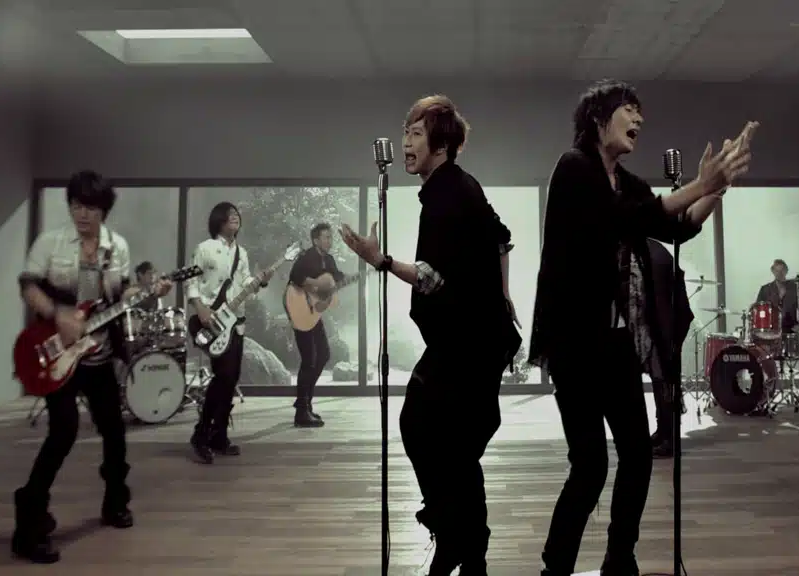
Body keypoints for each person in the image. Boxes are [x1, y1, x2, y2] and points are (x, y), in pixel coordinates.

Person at [528, 79, 757, 576]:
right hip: (574, 346)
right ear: (598, 118)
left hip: (616, 344)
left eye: (639, 112)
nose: (639, 119)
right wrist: (699, 184)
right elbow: (621, 219)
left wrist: (717, 188)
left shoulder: (625, 182)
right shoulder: (574, 168)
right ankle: (555, 568)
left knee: (637, 455)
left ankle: (620, 558)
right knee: (590, 465)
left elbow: (675, 225)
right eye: (629, 110)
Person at [339, 94, 520, 576]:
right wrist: (502, 296)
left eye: (415, 134)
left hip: (467, 343)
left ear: (440, 143)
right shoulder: (459, 186)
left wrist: (379, 260)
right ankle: (467, 551)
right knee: (453, 449)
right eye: (405, 133)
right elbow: (502, 239)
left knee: (422, 427)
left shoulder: (446, 194)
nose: (405, 142)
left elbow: (432, 277)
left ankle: (452, 533)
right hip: (471, 340)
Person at [12, 171, 172, 564]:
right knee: (63, 431)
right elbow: (29, 287)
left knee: (114, 432)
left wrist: (147, 292)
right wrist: (58, 314)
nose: (83, 214)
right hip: (58, 352)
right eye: (77, 206)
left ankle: (115, 502)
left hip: (98, 352)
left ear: (104, 210)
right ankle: (29, 519)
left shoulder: (117, 247)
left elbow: (120, 293)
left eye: (92, 208)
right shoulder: (50, 243)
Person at [186, 202, 273, 464]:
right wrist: (200, 308)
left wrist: (259, 282)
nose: (235, 217)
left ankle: (219, 436)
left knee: (230, 378)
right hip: (210, 320)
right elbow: (192, 282)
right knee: (222, 375)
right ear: (219, 220)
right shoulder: (204, 248)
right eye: (230, 214)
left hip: (235, 322)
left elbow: (244, 283)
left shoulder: (241, 253)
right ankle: (201, 433)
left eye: (237, 215)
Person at [286, 222, 345, 427]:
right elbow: (295, 277)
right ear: (315, 240)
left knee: (324, 354)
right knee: (309, 359)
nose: (330, 240)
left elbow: (336, 277)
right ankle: (301, 412)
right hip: (299, 307)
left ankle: (305, 402)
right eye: (326, 237)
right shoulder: (306, 257)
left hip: (313, 314)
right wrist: (315, 285)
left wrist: (335, 284)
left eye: (331, 237)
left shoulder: (329, 260)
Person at [644, 238, 697, 459]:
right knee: (663, 382)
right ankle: (664, 432)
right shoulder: (653, 250)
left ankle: (669, 440)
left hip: (666, 327)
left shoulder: (650, 254)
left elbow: (658, 301)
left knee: (665, 382)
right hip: (668, 324)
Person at [753, 259, 799, 333]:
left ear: (786, 271)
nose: (779, 273)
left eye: (782, 270)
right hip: (770, 331)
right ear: (773, 271)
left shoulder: (794, 289)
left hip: (790, 331)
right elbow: (757, 310)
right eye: (777, 271)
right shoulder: (765, 289)